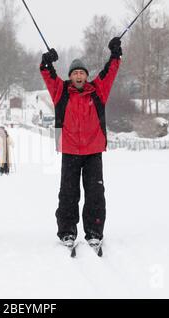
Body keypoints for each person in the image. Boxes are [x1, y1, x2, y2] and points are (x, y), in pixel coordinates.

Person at [40, 37, 122, 254]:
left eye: (82, 73)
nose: (78, 76)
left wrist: (115, 54)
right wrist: (47, 62)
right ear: (70, 77)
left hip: (93, 151)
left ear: (86, 76)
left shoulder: (98, 91)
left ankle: (94, 232)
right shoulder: (61, 92)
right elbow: (47, 74)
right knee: (68, 193)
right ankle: (67, 231)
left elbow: (110, 72)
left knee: (95, 193)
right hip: (70, 151)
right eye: (75, 73)